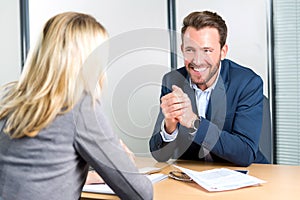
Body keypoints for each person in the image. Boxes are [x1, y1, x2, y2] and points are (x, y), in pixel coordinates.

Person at [0, 12, 152, 200]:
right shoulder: (78, 107)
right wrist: (120, 158)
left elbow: (33, 172)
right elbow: (140, 193)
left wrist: (87, 176)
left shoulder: (11, 99)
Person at [149, 10, 269, 167]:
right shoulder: (172, 81)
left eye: (207, 50)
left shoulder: (247, 83)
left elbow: (245, 153)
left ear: (223, 52)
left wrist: (193, 122)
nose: (197, 61)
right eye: (190, 50)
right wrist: (169, 125)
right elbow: (160, 155)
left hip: (243, 176)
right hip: (193, 178)